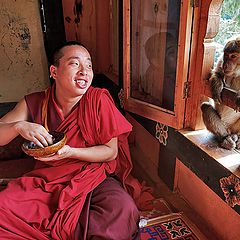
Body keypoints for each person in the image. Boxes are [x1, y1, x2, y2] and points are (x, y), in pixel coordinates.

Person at [0, 41, 140, 239]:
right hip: (46, 180)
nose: (85, 71)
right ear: (54, 71)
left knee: (121, 209)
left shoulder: (98, 99)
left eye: (89, 65)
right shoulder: (35, 102)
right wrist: (18, 126)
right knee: (3, 208)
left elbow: (111, 151)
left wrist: (72, 152)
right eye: (75, 63)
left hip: (92, 176)